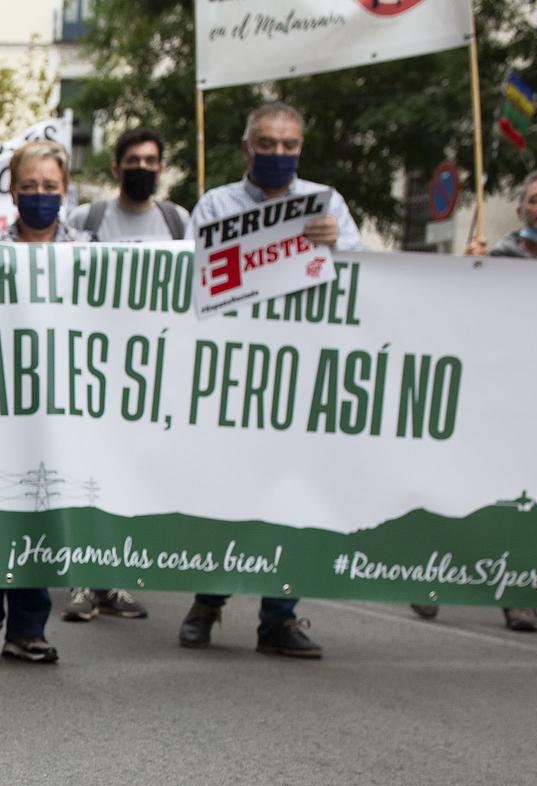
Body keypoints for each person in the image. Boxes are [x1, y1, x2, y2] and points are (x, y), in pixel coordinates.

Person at [182, 102, 359, 660]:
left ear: (300, 149)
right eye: (267, 143)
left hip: (301, 381)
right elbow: (187, 274)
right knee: (230, 492)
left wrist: (341, 246)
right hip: (234, 375)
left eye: (289, 145)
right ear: (246, 148)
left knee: (294, 493)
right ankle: (208, 601)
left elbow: (367, 282)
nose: (278, 154)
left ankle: (279, 617)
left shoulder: (327, 205)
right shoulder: (216, 205)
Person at [440, 169, 537, 633]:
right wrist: (467, 270)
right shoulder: (490, 260)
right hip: (487, 398)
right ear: (520, 209)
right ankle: (425, 569)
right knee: (462, 487)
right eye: (536, 199)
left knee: (530, 497)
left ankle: (519, 593)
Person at [59, 127, 188, 623]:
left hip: (150, 378)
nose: (143, 167)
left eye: (152, 159)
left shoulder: (177, 221)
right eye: (133, 159)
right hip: (93, 374)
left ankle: (114, 579)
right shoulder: (86, 219)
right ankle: (80, 580)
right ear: (116, 168)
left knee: (127, 481)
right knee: (87, 477)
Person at [0, 141, 81, 664]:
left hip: (62, 404)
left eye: (50, 188)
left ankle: (28, 628)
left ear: (66, 191)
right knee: (2, 511)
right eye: (30, 187)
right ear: (13, 191)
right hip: (2, 402)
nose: (40, 196)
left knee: (44, 509)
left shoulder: (91, 253)